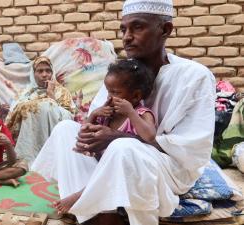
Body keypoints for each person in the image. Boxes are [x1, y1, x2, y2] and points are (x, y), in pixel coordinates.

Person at [31, 0, 216, 224]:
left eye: (137, 27)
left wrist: (117, 137)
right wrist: (90, 134)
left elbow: (191, 151)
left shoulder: (194, 76)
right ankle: (91, 213)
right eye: (123, 29)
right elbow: (101, 118)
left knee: (124, 147)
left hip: (167, 169)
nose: (127, 36)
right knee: (65, 129)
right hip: (113, 156)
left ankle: (91, 204)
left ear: (165, 30)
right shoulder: (121, 72)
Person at [54, 59, 157, 214]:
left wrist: (130, 112)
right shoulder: (108, 113)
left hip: (124, 172)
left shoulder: (142, 114)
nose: (109, 97)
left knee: (112, 165)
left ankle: (80, 195)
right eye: (108, 91)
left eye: (115, 92)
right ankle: (83, 193)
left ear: (135, 96)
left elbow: (150, 136)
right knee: (68, 134)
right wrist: (94, 114)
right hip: (99, 165)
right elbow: (84, 131)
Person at [6, 56, 76, 166]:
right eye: (40, 71)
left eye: (48, 71)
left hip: (53, 136)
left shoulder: (62, 92)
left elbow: (69, 118)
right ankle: (28, 160)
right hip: (30, 141)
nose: (44, 74)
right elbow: (12, 117)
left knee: (48, 104)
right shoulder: (24, 93)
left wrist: (51, 96)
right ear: (33, 74)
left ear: (52, 73)